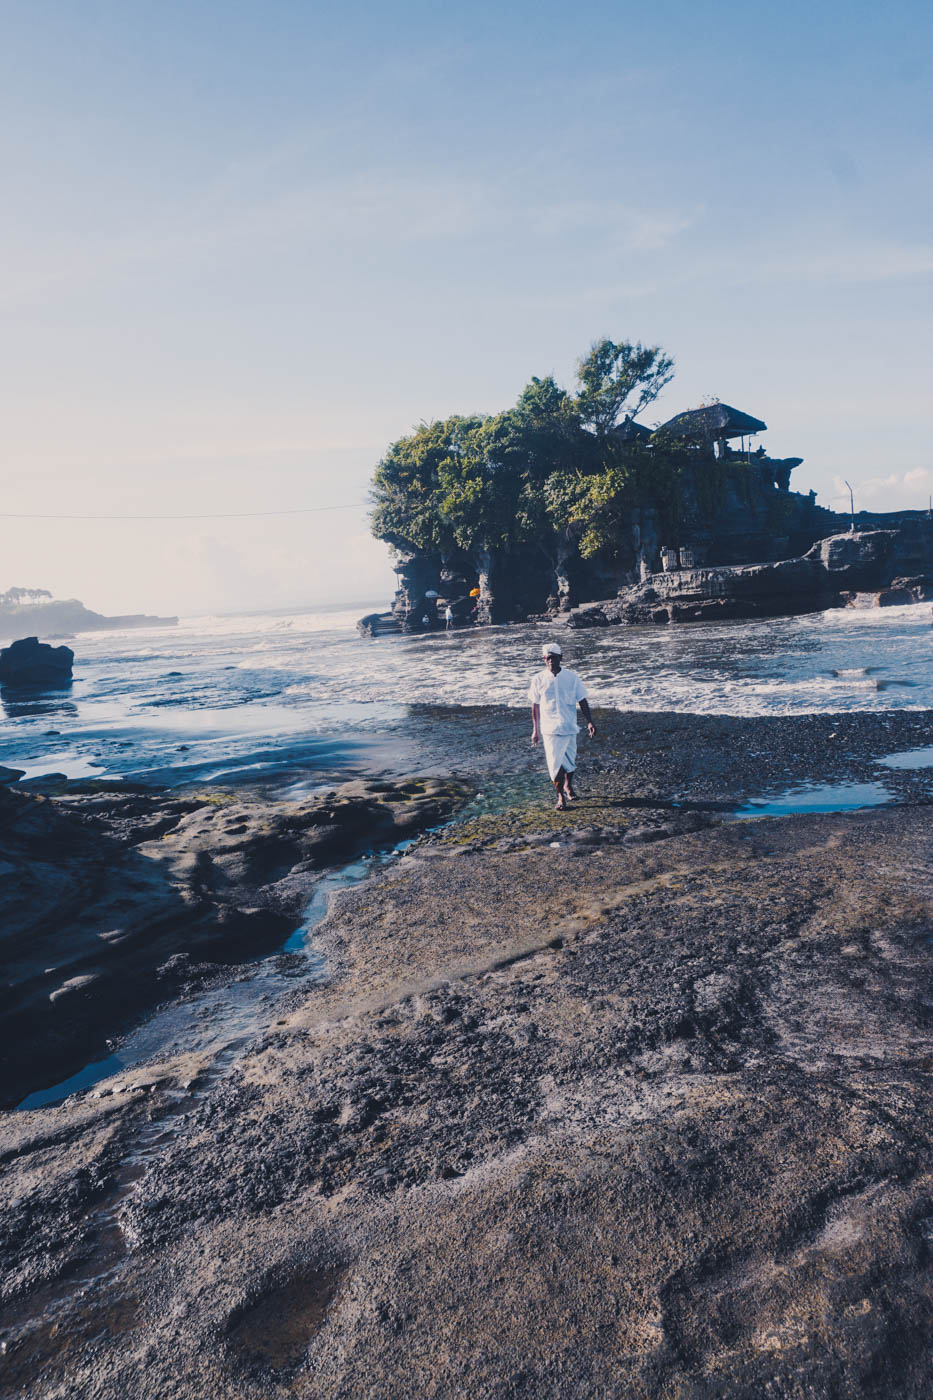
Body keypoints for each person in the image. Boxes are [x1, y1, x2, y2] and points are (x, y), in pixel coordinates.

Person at [529, 643, 596, 810]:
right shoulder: (538, 679)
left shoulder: (572, 678)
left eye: (554, 657)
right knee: (554, 764)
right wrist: (535, 730)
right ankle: (560, 796)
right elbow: (535, 706)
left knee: (569, 761)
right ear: (544, 659)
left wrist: (589, 721)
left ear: (561, 658)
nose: (551, 661)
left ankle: (568, 785)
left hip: (569, 726)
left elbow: (582, 700)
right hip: (549, 729)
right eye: (548, 658)